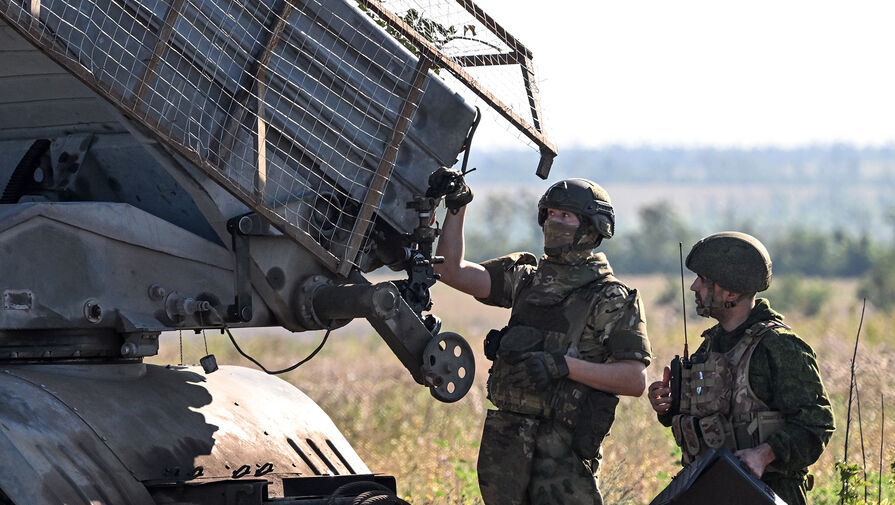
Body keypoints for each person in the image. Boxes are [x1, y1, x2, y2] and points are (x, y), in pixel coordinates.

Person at [431, 170, 652, 505]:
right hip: (506, 446)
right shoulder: (527, 281)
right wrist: (458, 205)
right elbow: (450, 270)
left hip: (562, 456)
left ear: (592, 228)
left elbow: (634, 379)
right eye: (550, 214)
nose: (554, 222)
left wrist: (562, 366)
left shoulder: (610, 297)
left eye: (566, 216)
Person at [648, 232, 835, 505]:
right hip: (710, 490)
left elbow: (817, 423)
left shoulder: (779, 347)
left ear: (730, 293)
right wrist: (667, 407)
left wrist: (763, 455)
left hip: (767, 493)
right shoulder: (709, 347)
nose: (694, 287)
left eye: (703, 280)